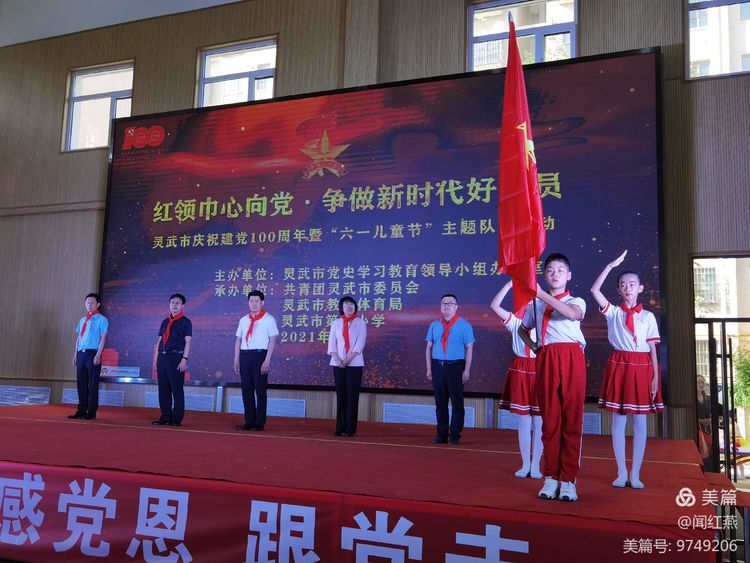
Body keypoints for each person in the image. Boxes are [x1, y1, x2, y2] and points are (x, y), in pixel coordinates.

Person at [591, 250, 662, 489]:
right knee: (618, 421)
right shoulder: (613, 312)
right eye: (623, 285)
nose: (628, 288)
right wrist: (610, 266)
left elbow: (652, 348)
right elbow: (594, 291)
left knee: (640, 422)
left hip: (642, 366)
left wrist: (655, 377)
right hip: (619, 364)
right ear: (619, 290)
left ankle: (636, 473)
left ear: (640, 288)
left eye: (632, 284)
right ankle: (621, 472)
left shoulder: (648, 317)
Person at [520, 253, 586, 502]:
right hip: (546, 357)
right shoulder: (535, 305)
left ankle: (568, 479)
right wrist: (534, 347)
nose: (555, 274)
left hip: (571, 357)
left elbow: (571, 314)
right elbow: (523, 330)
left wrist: (540, 294)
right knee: (549, 421)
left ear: (569, 275)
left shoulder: (576, 300)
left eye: (560, 270)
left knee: (571, 420)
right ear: (544, 275)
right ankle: (551, 476)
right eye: (549, 270)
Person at [490, 280, 542, 478]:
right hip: (521, 368)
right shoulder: (515, 321)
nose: (529, 303)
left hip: (541, 368)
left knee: (539, 421)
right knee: (524, 420)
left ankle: (536, 465)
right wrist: (509, 285)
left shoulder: (546, 322)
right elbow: (494, 306)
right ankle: (525, 464)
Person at [426, 293, 475, 445]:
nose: (446, 306)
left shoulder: (465, 325)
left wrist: (467, 369)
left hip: (456, 367)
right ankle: (441, 434)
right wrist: (429, 369)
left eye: (450, 303)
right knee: (440, 402)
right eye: (444, 303)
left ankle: (455, 434)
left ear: (456, 307)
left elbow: (469, 348)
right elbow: (429, 347)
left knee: (457, 402)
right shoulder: (434, 325)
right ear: (440, 307)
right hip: (437, 366)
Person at [234, 290, 278, 431]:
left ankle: (259, 423)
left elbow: (272, 340)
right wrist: (236, 359)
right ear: (248, 303)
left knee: (260, 390)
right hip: (245, 356)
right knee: (246, 390)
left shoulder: (269, 319)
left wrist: (267, 360)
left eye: (256, 301)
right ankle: (249, 421)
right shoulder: (243, 320)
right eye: (251, 301)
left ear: (262, 302)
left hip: (260, 356)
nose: (254, 304)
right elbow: (238, 340)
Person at [327, 296, 367, 437]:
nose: (349, 307)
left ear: (355, 307)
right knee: (341, 395)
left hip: (354, 363)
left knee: (352, 396)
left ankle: (350, 429)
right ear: (341, 308)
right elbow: (331, 344)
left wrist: (347, 360)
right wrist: (338, 360)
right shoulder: (336, 323)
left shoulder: (361, 323)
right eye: (346, 305)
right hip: (337, 363)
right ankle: (340, 427)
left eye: (352, 304)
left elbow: (359, 345)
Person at [152, 293, 192, 426]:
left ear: (182, 306)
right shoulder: (165, 321)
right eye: (172, 303)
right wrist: (155, 361)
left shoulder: (186, 322)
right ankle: (165, 417)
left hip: (176, 358)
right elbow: (159, 341)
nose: (174, 305)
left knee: (177, 389)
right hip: (162, 358)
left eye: (177, 303)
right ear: (169, 304)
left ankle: (176, 419)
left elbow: (188, 342)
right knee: (163, 389)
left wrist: (184, 359)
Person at [69, 293, 108, 420]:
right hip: (81, 353)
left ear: (98, 304)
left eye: (92, 303)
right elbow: (79, 338)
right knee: (81, 383)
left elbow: (103, 339)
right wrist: (75, 354)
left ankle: (91, 412)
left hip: (93, 353)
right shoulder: (82, 320)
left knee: (92, 384)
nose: (89, 305)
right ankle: (81, 410)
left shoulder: (102, 319)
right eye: (87, 303)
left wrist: (98, 354)